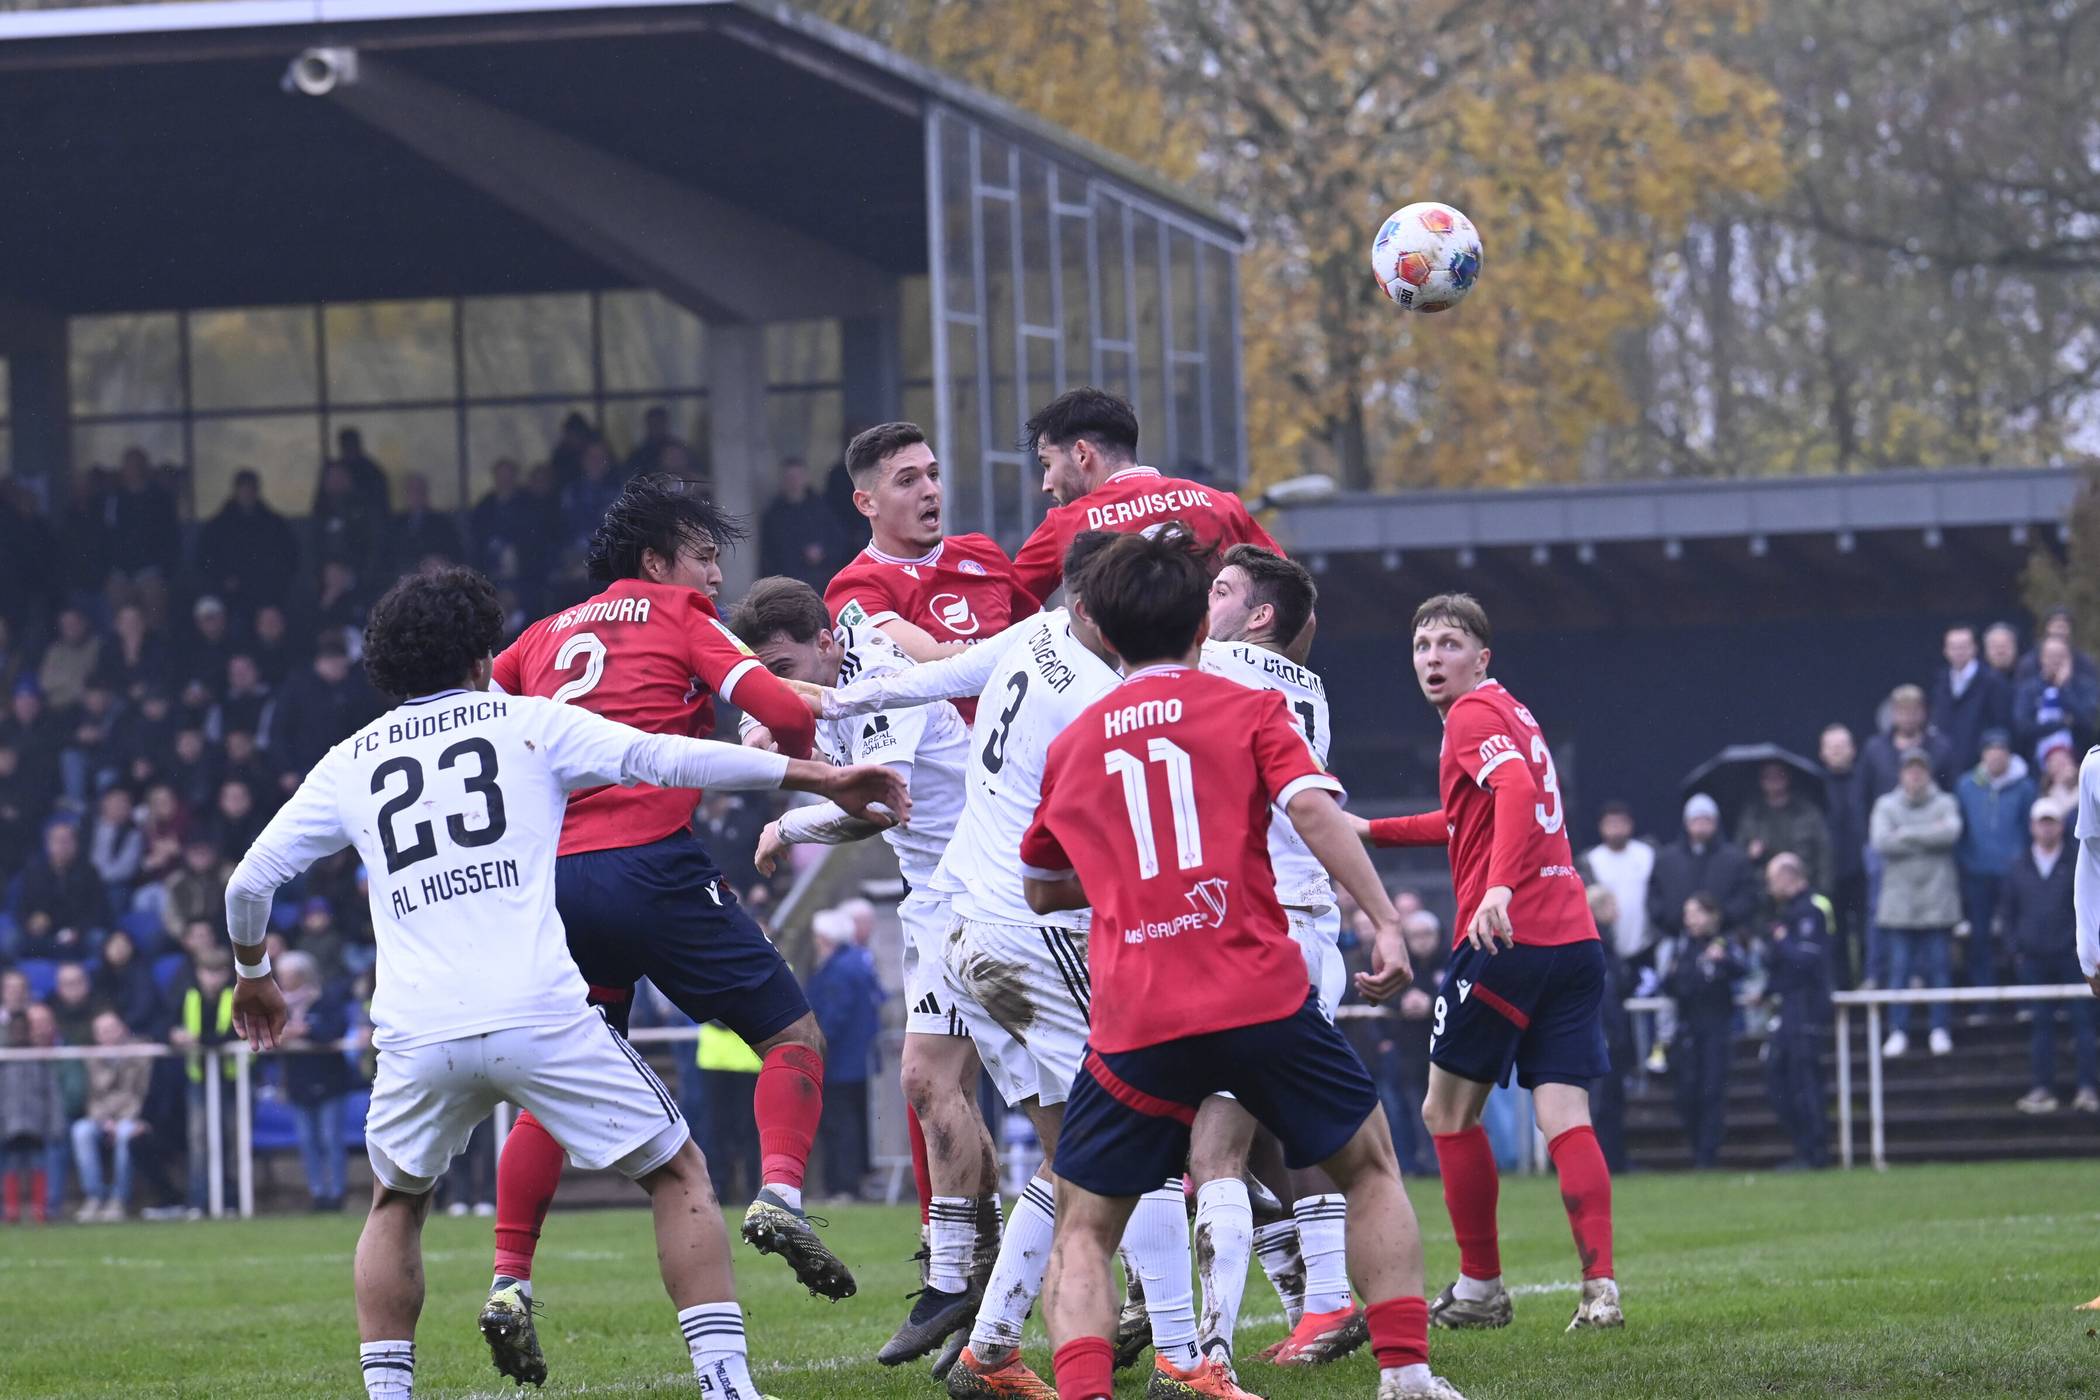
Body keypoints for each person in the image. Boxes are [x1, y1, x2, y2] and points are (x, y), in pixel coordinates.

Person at [217, 563, 906, 1400]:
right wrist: (823, 777)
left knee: (396, 1204)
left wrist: (254, 974)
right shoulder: (528, 724)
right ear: (479, 659)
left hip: (417, 1030)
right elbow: (666, 758)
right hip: (538, 1012)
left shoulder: (349, 763)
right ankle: (727, 1387)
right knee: (678, 1171)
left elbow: (247, 885)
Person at [1019, 528, 1462, 1400]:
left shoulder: (1074, 745)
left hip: (1137, 1011)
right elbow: (1313, 811)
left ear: (1102, 634)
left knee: (1084, 1228)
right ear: (1200, 628)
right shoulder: (1249, 707)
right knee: (1368, 1165)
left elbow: (1040, 889)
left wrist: (1127, 884)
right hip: (1257, 991)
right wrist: (1381, 920)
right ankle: (1405, 1375)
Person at [811, 534, 1230, 1395]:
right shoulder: (1103, 700)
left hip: (961, 925)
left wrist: (832, 698)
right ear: (1091, 609)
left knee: (1073, 1147)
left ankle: (989, 1350)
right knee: (1141, 1128)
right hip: (1029, 937)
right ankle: (1187, 1364)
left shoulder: (1033, 632)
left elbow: (930, 678)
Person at [484, 474, 852, 1377]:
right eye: (703, 554)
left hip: (558, 883)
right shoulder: (678, 614)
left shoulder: (534, 640)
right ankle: (779, 1196)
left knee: (559, 1079)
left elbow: (481, 734)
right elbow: (776, 708)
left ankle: (508, 1279)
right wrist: (809, 777)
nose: (717, 574)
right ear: (656, 563)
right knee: (793, 1033)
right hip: (652, 861)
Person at [728, 574, 1005, 1365]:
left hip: (980, 893)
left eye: (783, 667)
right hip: (934, 897)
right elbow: (757, 732)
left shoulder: (882, 681)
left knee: (964, 1089)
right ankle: (972, 1281)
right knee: (942, 1088)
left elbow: (880, 803)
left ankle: (972, 1280)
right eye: (765, 671)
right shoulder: (807, 678)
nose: (774, 686)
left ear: (826, 643)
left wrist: (790, 823)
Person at [1354, 592, 1621, 1336]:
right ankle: (1600, 1289)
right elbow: (1469, 812)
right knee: (1566, 1115)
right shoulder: (1513, 713)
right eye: (1421, 646)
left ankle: (1480, 1287)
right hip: (1573, 940)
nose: (1432, 659)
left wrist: (1499, 885)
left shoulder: (1472, 716)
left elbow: (1513, 791)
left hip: (1509, 938)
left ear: (1481, 658)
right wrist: (1371, 830)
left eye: (1448, 644)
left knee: (1445, 1111)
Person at [1188, 545, 1367, 1370]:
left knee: (1217, 1146)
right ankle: (1314, 1303)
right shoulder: (1307, 685)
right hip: (1292, 926)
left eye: (1219, 590)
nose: (1202, 601)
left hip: (1269, 935)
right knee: (1262, 1138)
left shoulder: (1222, 662)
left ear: (1258, 617)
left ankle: (1205, 1351)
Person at [1009, 387, 1278, 606]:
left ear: (1082, 453)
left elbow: (1004, 612)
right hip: (1222, 671)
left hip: (1128, 673)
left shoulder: (1067, 523)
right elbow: (1291, 599)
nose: (1046, 484)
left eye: (1047, 465)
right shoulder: (1221, 504)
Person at [823, 421, 1037, 679]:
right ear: (867, 503)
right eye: (907, 481)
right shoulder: (852, 589)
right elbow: (930, 661)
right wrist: (1025, 647)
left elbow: (1042, 636)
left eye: (933, 475)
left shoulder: (982, 552)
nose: (930, 490)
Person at [2003, 800, 2096, 1113]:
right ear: (2032, 826)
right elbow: (2009, 913)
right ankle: (2043, 1088)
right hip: (2034, 959)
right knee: (2041, 1027)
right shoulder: (2018, 866)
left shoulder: (2078, 862)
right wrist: (2016, 949)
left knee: (2084, 1025)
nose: (2047, 827)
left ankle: (2088, 1088)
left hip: (2071, 958)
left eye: (2052, 822)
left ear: (2061, 826)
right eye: (2042, 822)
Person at [1871, 750, 1963, 1057]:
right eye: (1909, 770)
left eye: (1920, 770)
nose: (1915, 776)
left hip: (1937, 902)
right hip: (1899, 905)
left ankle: (1940, 1028)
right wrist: (1928, 833)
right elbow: (1882, 841)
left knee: (1939, 969)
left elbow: (1950, 834)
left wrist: (1906, 833)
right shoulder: (1885, 805)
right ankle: (1898, 1030)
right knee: (1899, 970)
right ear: (1901, 774)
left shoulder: (1945, 802)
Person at [803, 908, 883, 1199]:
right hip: (857, 1059)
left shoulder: (837, 969)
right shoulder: (857, 962)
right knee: (854, 1121)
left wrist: (815, 1043)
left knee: (841, 1123)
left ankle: (843, 1184)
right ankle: (851, 1181)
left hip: (839, 1061)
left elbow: (834, 1015)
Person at [1759, 855, 1833, 1170]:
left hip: (1806, 1006)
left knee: (1804, 1081)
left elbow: (1807, 961)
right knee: (1778, 1077)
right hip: (1789, 1005)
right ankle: (1804, 1148)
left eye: (1772, 880)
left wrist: (1781, 940)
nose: (1769, 887)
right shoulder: (1787, 913)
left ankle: (1816, 1153)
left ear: (1789, 878)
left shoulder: (1812, 910)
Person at [1953, 729, 2035, 998]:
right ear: (1983, 755)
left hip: (2015, 874)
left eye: (2001, 751)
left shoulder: (2025, 787)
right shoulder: (1965, 786)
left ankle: (2023, 996)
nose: (1996, 756)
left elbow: (2028, 829)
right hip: (1977, 874)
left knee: (2019, 935)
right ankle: (1983, 998)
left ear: (2009, 755)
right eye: (1991, 751)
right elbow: (1961, 830)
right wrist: (1967, 861)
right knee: (1980, 938)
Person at [1666, 893, 1741, 1169]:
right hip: (1688, 1030)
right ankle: (1697, 1148)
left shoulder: (1725, 945)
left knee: (1712, 1092)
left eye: (1695, 913)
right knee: (1687, 1091)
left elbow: (1740, 970)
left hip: (1715, 1030)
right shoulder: (1681, 947)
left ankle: (1707, 1155)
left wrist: (1720, 962)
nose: (1690, 920)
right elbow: (1672, 984)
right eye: (1688, 914)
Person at [277, 949, 355, 1212]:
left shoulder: (327, 1001)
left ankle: (337, 1193)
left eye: (288, 976)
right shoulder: (279, 1005)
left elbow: (334, 1030)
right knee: (307, 1141)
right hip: (298, 1081)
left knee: (330, 1138)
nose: (284, 980)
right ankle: (317, 1193)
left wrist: (305, 1031)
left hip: (329, 1081)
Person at [71, 1008, 153, 1220]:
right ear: (96, 1036)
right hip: (102, 1118)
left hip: (131, 1116)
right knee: (81, 1131)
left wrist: (123, 1119)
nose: (109, 1034)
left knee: (126, 1134)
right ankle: (95, 1196)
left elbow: (139, 1093)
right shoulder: (92, 1059)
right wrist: (104, 1120)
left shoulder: (141, 1054)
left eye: (112, 1028)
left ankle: (118, 1199)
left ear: (123, 1029)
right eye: (103, 1031)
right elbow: (92, 1097)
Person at [195, 470, 301, 619]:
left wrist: (273, 582)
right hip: (230, 600)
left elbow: (290, 558)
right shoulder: (218, 526)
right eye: (243, 489)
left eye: (251, 489)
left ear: (257, 491)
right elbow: (203, 559)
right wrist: (222, 579)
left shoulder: (274, 524)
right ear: (235, 491)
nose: (247, 493)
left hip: (268, 598)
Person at [0, 1004, 65, 1224]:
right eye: (14, 1029)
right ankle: (11, 1210)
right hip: (9, 1124)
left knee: (39, 1165)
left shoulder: (39, 1057)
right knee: (11, 1166)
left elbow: (52, 1094)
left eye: (22, 1029)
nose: (18, 1033)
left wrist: (55, 1123)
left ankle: (40, 1209)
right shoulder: (4, 1060)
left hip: (37, 1123)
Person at [1819, 723, 1869, 990]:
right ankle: (1840, 987)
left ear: (1853, 749)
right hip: (1829, 873)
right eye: (1832, 747)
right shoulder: (1815, 786)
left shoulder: (1865, 780)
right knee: (1833, 935)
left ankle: (1868, 984)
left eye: (1842, 746)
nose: (1837, 752)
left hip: (1862, 870)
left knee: (1865, 932)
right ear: (1822, 752)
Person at [1735, 761, 1832, 895]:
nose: (1774, 780)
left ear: (1787, 778)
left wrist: (1824, 890)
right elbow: (1737, 854)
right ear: (1761, 781)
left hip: (1804, 888)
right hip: (1764, 893)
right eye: (1768, 776)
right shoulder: (1752, 815)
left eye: (1778, 775)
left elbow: (1824, 851)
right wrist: (1749, 854)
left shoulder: (1807, 812)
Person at [1932, 624, 2014, 774]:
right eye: (1954, 647)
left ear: (1974, 648)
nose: (1958, 652)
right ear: (1946, 651)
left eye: (1963, 647)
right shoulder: (1941, 680)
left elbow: (2001, 723)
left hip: (1980, 765)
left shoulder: (1992, 681)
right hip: (1948, 765)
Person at [1580, 801, 1653, 968]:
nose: (1616, 828)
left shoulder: (1647, 854)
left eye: (1621, 822)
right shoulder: (1590, 861)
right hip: (1607, 946)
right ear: (1601, 826)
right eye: (1611, 823)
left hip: (1646, 945)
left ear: (1630, 824)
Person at [759, 456, 845, 590]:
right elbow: (767, 556)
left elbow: (838, 542)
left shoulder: (822, 509)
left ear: (806, 478)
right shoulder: (773, 515)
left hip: (819, 584)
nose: (794, 482)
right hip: (785, 586)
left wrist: (823, 553)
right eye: (790, 477)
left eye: (797, 477)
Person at [2014, 635, 2100, 766]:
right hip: (2035, 766)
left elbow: (2087, 723)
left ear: (2069, 659)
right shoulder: (2028, 689)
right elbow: (2023, 728)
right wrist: (2062, 723)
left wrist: (2063, 688)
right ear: (2041, 658)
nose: (2055, 661)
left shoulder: (2084, 687)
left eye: (2060, 656)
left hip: (2078, 764)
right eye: (2050, 656)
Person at [1861, 684, 1955, 799]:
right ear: (1893, 713)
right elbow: (1862, 793)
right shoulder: (1874, 749)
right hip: (1886, 815)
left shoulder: (1941, 748)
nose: (1908, 718)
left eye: (1913, 711)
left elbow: (1950, 791)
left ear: (1923, 712)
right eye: (1903, 711)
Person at [392, 473, 465, 573]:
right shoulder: (396, 523)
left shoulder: (442, 523)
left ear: (426, 493)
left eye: (419, 490)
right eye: (411, 490)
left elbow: (455, 552)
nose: (415, 495)